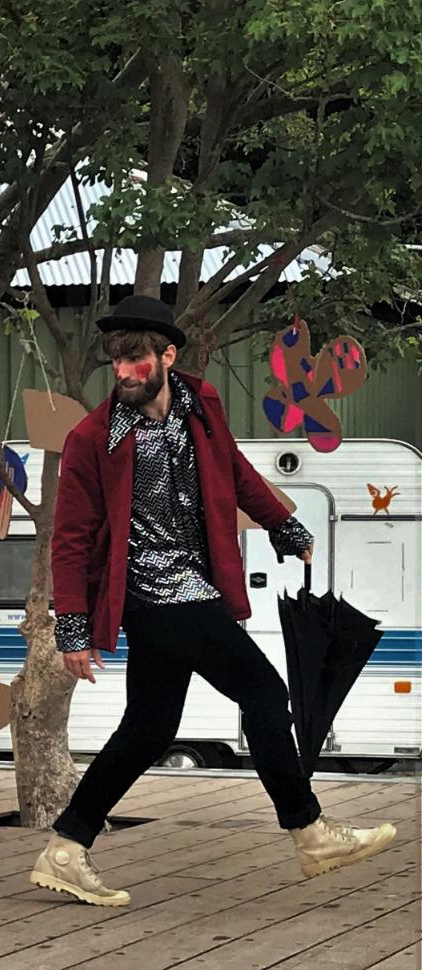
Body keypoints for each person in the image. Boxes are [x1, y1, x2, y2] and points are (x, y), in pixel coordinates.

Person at [35, 294, 397, 907]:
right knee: (262, 691)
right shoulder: (93, 439)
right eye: (115, 363)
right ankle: (309, 831)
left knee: (150, 728)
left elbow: (231, 468)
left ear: (167, 357)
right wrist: (71, 628)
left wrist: (283, 526)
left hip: (195, 585)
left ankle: (66, 847)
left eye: (136, 361)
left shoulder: (200, 405)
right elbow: (69, 540)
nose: (122, 373)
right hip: (155, 593)